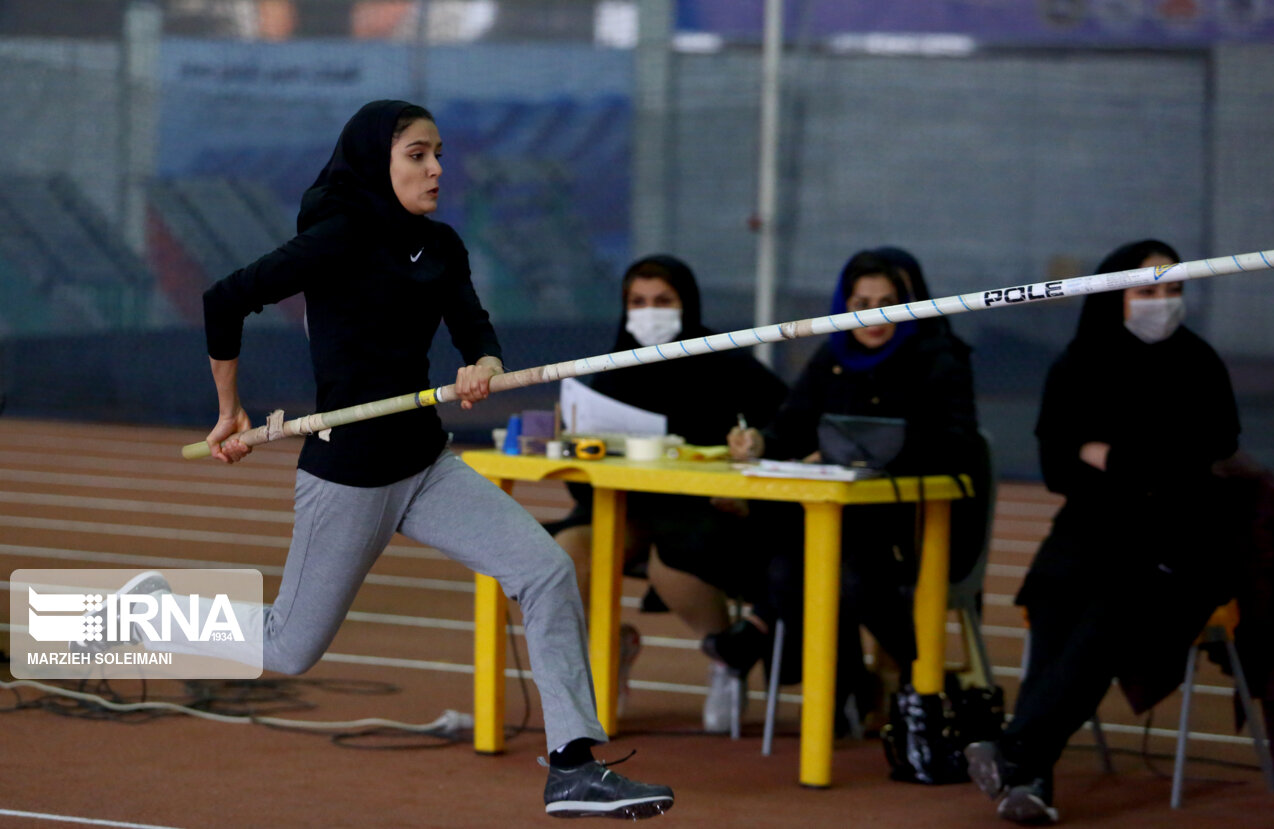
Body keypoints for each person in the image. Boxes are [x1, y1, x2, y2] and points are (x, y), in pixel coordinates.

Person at [157, 100, 671, 819]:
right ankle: (153, 614)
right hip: (350, 474)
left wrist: (482, 365)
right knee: (289, 647)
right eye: (417, 155)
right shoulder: (337, 238)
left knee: (546, 569)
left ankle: (572, 766)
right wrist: (228, 410)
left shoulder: (442, 246)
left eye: (438, 155)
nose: (435, 169)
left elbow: (475, 331)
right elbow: (224, 300)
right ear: (378, 161)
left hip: (426, 465)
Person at [964, 239, 1242, 825]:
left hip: (1182, 540)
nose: (1162, 302)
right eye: (1147, 291)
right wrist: (1131, 462)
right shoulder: (1079, 363)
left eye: (1173, 290)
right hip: (1092, 529)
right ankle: (1031, 775)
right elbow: (1059, 470)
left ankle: (1018, 754)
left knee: (1113, 607)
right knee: (1056, 595)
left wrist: (1106, 454)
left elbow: (1201, 459)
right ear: (1113, 295)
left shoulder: (1200, 364)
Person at [719, 247, 986, 730]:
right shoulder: (833, 355)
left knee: (832, 572)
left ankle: (888, 675)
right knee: (785, 567)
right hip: (835, 522)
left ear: (910, 301)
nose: (874, 314)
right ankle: (844, 688)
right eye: (862, 301)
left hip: (909, 526)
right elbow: (792, 427)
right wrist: (759, 440)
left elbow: (956, 443)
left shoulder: (939, 357)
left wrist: (860, 451)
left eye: (888, 300)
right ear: (844, 304)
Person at [547, 254, 788, 732]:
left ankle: (726, 656)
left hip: (702, 512)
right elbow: (581, 483)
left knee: (671, 563)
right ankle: (608, 647)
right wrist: (572, 444)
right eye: (637, 302)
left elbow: (790, 418)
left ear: (687, 304)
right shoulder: (612, 368)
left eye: (662, 301)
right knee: (564, 556)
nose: (648, 312)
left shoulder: (726, 360)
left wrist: (756, 442)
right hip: (626, 508)